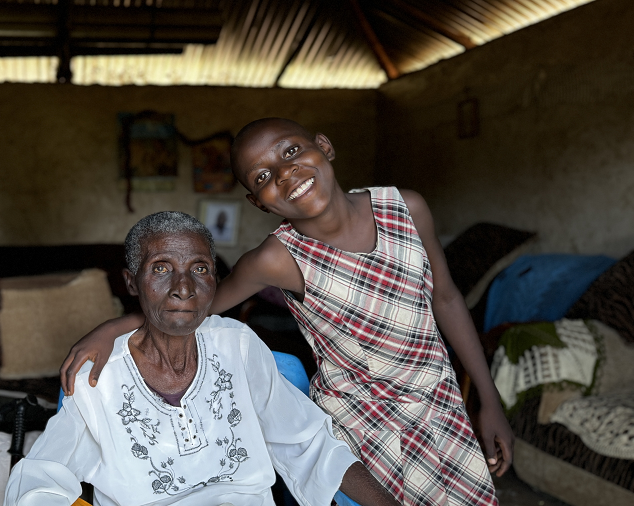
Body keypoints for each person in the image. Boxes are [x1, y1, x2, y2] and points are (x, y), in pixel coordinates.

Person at [61, 119, 512, 506]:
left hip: (441, 404)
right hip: (364, 425)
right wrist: (115, 326)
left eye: (292, 151)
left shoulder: (406, 207)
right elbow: (189, 307)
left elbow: (447, 298)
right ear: (260, 203)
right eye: (262, 176)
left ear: (325, 147)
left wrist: (488, 401)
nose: (285, 173)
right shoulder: (276, 259)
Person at [5, 211, 401, 506]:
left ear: (214, 279)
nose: (183, 288)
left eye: (200, 269)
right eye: (161, 268)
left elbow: (312, 445)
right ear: (131, 282)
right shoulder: (99, 376)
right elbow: (39, 481)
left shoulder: (237, 347)